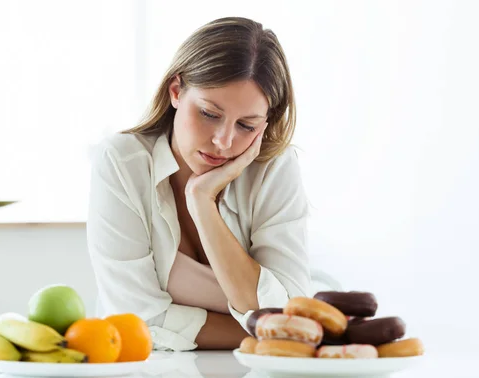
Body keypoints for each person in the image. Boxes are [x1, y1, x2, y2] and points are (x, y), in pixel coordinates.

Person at [87, 16, 341, 351]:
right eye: (209, 114)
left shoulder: (274, 168)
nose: (223, 141)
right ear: (176, 91)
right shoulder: (122, 162)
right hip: (150, 374)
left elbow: (285, 309)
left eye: (247, 126)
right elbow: (137, 318)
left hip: (263, 374)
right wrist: (265, 335)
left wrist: (201, 201)